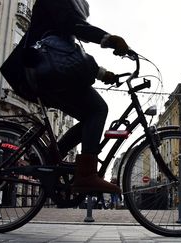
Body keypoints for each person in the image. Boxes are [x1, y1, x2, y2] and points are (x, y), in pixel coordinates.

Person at [27, 0, 129, 194]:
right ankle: (86, 175)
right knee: (98, 109)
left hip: (43, 69)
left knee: (89, 116)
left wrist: (102, 73)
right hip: (47, 70)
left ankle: (50, 158)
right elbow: (74, 27)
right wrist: (108, 39)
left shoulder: (58, 30)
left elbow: (70, 54)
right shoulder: (60, 10)